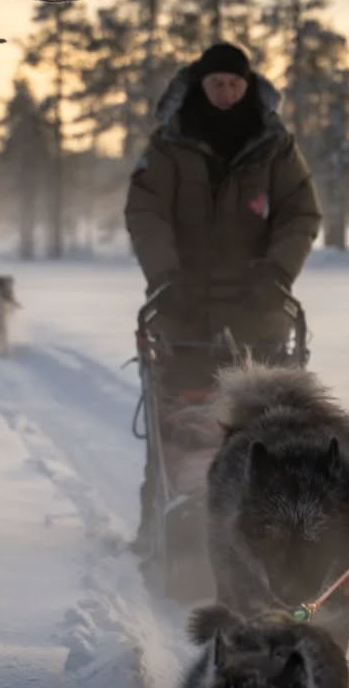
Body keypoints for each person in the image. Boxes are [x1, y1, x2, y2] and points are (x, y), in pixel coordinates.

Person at [125, 40, 322, 555]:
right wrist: (166, 274)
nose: (227, 93)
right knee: (179, 421)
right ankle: (164, 526)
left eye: (235, 83)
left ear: (248, 84)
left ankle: (270, 527)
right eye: (217, 84)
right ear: (200, 83)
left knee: (263, 420)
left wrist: (278, 272)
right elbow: (146, 212)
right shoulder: (170, 143)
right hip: (183, 307)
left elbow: (300, 212)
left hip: (258, 308)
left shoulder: (273, 143)